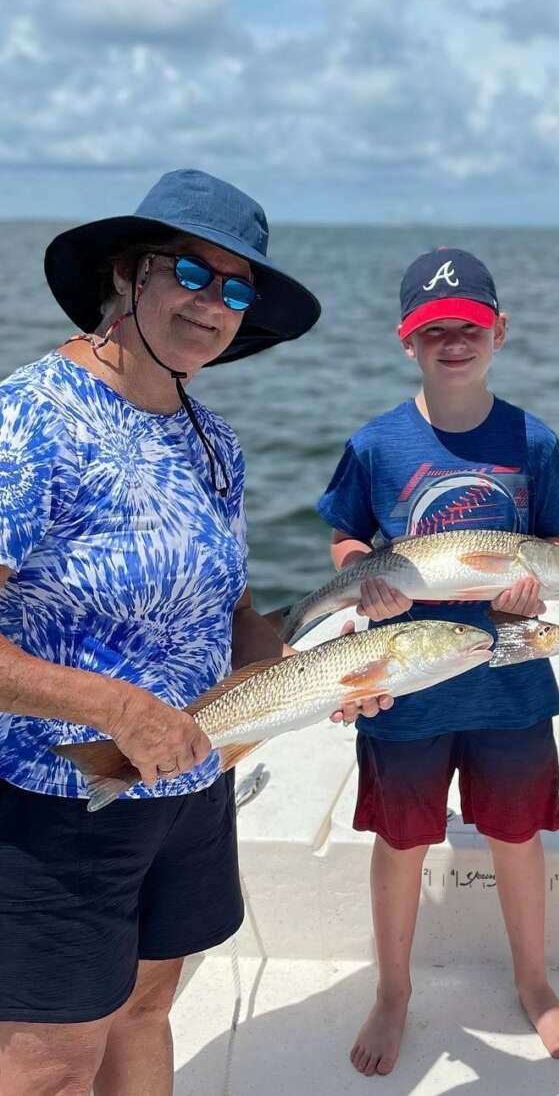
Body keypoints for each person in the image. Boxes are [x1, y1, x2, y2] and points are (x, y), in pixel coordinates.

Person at [0, 170, 320, 1096]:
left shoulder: (212, 438)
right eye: (192, 271)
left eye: (236, 288)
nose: (213, 302)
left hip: (190, 784)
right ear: (128, 275)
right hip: (54, 799)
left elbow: (232, 613)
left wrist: (315, 679)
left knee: (147, 1010)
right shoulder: (29, 420)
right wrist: (121, 712)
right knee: (50, 1063)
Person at [316, 248, 559, 1076]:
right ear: (409, 344)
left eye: (467, 327)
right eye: (432, 330)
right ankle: (394, 990)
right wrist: (363, 585)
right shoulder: (375, 444)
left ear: (498, 332)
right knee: (403, 840)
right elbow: (345, 540)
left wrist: (533, 590)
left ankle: (534, 981)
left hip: (509, 673)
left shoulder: (532, 439)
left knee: (515, 833)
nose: (452, 341)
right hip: (404, 678)